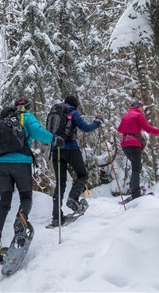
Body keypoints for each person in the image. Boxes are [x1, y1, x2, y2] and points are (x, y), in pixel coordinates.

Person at [0, 97, 65, 263]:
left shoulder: (3, 120)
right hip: (21, 163)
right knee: (26, 197)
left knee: (4, 204)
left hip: (2, 165)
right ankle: (21, 222)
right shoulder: (26, 117)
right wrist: (54, 139)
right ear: (27, 107)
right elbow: (38, 132)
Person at [50, 95, 103, 226]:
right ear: (75, 104)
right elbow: (86, 128)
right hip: (71, 149)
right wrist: (97, 122)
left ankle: (56, 217)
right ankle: (73, 198)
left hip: (55, 149)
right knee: (83, 174)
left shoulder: (55, 112)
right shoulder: (72, 112)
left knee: (60, 183)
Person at [117, 100, 159, 200]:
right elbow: (148, 128)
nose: (143, 109)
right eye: (141, 106)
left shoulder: (125, 116)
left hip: (125, 145)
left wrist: (130, 129)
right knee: (136, 168)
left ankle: (133, 188)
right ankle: (136, 193)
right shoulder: (138, 115)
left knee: (136, 166)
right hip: (134, 144)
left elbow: (120, 129)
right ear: (137, 106)